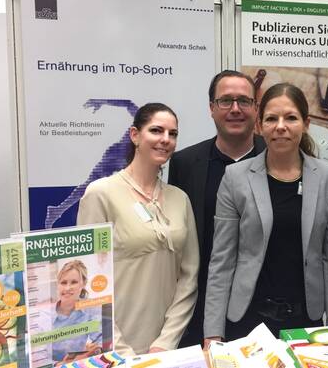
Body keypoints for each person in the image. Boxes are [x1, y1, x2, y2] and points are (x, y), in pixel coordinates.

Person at [203, 83, 328, 344]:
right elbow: (222, 261)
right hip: (247, 321)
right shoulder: (236, 177)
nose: (280, 126)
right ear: (259, 126)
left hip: (306, 321)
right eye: (271, 118)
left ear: (306, 123)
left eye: (291, 118)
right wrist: (213, 332)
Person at [77, 102, 199, 356]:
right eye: (156, 130)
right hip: (117, 346)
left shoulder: (180, 199)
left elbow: (189, 277)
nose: (165, 139)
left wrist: (165, 342)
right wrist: (121, 350)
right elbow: (88, 281)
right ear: (135, 135)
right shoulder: (101, 194)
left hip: (167, 346)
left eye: (172, 134)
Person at [168, 70, 266, 347]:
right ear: (211, 108)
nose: (235, 109)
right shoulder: (184, 164)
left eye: (244, 101)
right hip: (201, 305)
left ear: (256, 109)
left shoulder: (277, 159)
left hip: (261, 304)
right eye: (226, 101)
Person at [52, 260, 102, 364]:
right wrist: (58, 364)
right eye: (63, 282)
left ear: (83, 283)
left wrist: (88, 353)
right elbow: (38, 356)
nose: (67, 288)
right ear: (58, 285)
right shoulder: (45, 314)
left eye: (74, 282)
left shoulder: (90, 308)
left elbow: (101, 341)